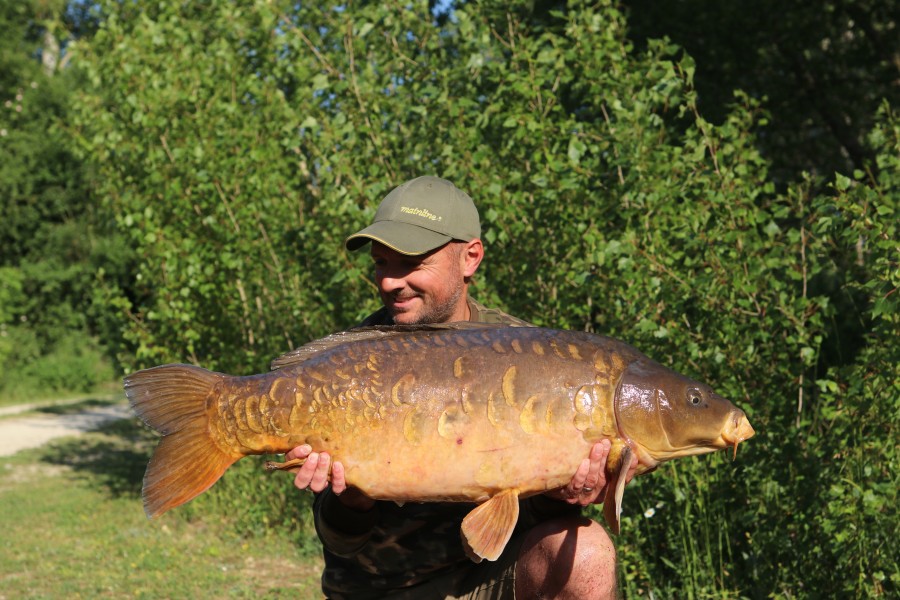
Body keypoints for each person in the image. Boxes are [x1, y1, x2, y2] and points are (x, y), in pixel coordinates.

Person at [284, 176, 637, 599]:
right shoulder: (355, 365)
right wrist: (352, 500)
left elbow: (530, 514)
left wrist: (566, 494)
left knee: (588, 554)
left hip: (488, 583)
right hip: (380, 590)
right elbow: (339, 543)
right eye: (382, 263)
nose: (389, 282)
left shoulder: (533, 357)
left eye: (411, 263)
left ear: (470, 258)